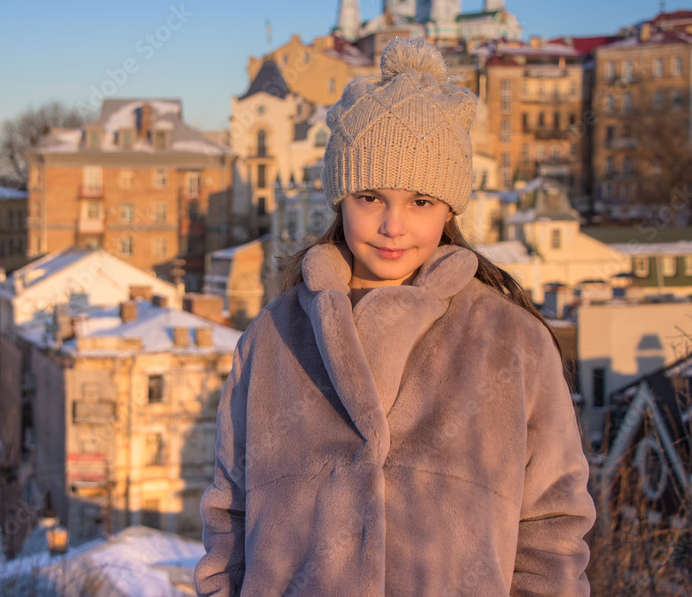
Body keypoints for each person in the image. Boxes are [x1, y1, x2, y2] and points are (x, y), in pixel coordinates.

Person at [195, 38, 596, 596]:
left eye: (421, 202)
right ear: (340, 199)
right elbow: (228, 514)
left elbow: (552, 532)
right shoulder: (275, 337)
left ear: (450, 207)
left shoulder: (510, 343)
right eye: (370, 197)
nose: (392, 225)